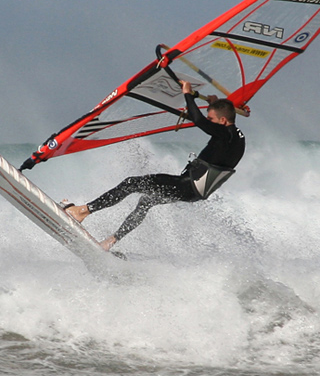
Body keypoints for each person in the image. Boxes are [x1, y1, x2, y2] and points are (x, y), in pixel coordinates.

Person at [65, 80, 246, 251]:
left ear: (223, 121)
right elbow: (215, 120)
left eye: (212, 119)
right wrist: (214, 104)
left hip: (187, 185)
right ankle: (110, 241)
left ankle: (82, 211)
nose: (209, 122)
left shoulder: (224, 134)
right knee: (146, 201)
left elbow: (199, 120)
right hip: (194, 193)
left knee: (131, 183)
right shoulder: (236, 137)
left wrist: (187, 94)